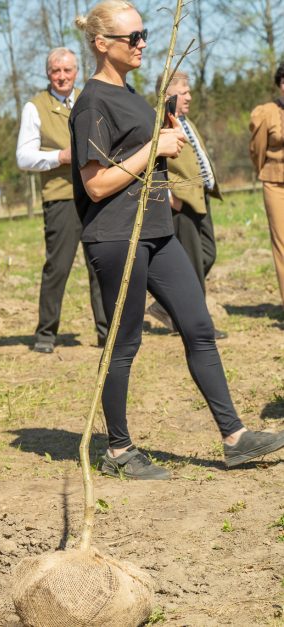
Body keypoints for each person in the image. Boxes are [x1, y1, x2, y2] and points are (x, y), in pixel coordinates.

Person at [71, 0, 284, 480]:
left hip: (157, 233)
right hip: (116, 239)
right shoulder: (92, 103)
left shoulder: (130, 94)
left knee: (198, 326)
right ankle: (119, 450)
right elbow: (95, 185)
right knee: (124, 344)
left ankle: (235, 438)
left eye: (144, 33)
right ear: (103, 45)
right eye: (133, 38)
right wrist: (155, 148)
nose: (143, 43)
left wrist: (162, 132)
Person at [16, 47, 108, 353]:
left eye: (67, 70)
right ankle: (45, 334)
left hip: (96, 191)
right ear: (48, 73)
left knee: (101, 265)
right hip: (61, 197)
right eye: (56, 71)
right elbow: (23, 156)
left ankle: (107, 333)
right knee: (58, 266)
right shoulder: (35, 107)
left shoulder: (88, 99)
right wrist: (60, 156)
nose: (62, 76)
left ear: (77, 72)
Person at [148, 71, 226, 338]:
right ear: (169, 94)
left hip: (199, 197)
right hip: (181, 202)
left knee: (207, 253)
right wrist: (168, 196)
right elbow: (149, 165)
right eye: (185, 92)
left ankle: (164, 305)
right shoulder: (158, 123)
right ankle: (199, 327)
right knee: (192, 262)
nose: (190, 96)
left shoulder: (183, 121)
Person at [249, 63, 284, 309]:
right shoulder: (266, 112)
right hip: (275, 182)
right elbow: (256, 149)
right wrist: (265, 171)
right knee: (282, 244)